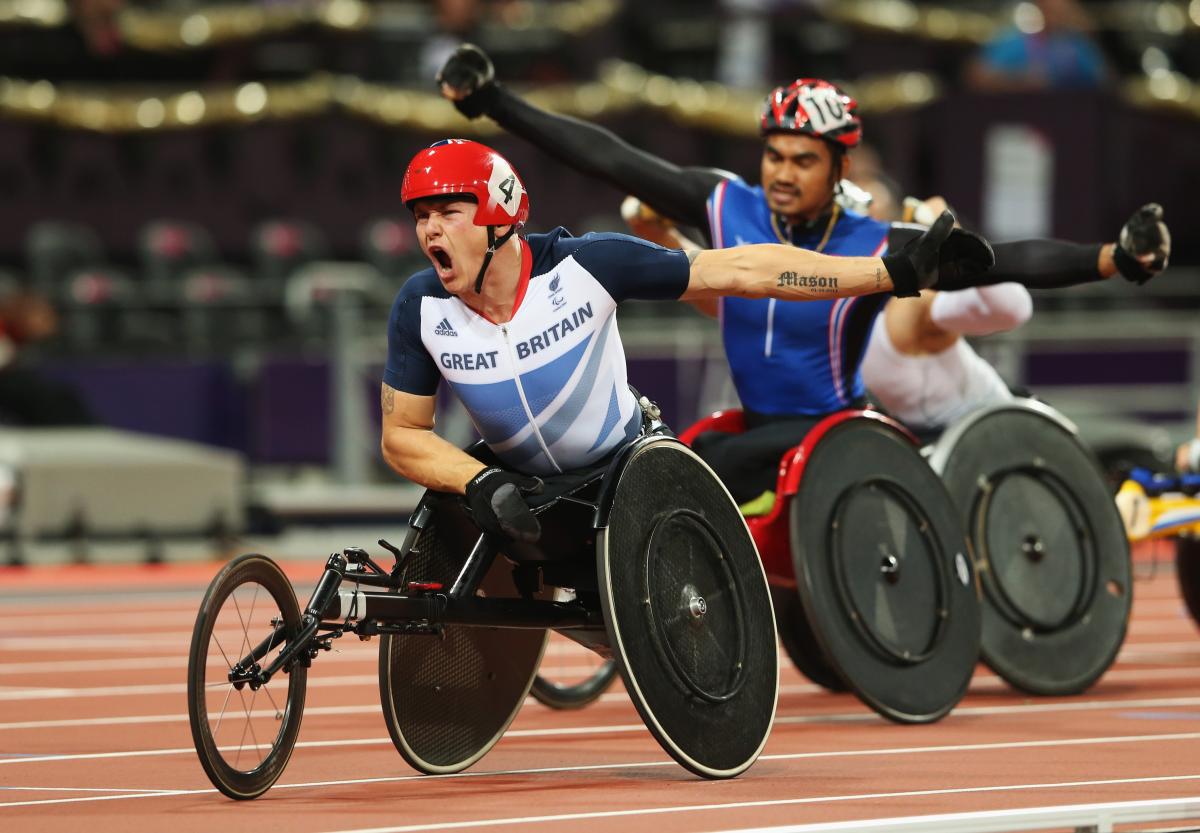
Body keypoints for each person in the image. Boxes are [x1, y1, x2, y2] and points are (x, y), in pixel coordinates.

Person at [436, 44, 1171, 503]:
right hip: (753, 425)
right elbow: (608, 155)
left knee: (678, 475)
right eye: (774, 156)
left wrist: (1115, 258)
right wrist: (493, 104)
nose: (783, 174)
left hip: (832, 430)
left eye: (804, 160)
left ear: (840, 167)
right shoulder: (724, 203)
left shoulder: (876, 238)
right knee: (662, 465)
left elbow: (1004, 260)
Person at [379, 139, 992, 542]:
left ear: (497, 217)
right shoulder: (420, 305)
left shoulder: (588, 266)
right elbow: (403, 434)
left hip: (617, 474)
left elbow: (746, 271)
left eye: (447, 213)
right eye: (420, 216)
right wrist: (477, 481)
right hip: (513, 486)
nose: (428, 230)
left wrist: (891, 273)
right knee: (434, 538)